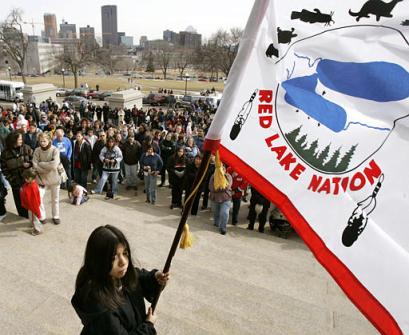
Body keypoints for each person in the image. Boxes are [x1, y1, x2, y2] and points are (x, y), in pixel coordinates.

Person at [71, 225, 169, 335]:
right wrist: (148, 326)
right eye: (114, 257)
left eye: (125, 253)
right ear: (100, 261)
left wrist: (155, 278)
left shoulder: (121, 275)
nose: (123, 262)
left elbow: (139, 278)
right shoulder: (99, 306)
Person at [0, 132, 33, 218]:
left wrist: (29, 164)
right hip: (15, 182)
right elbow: (4, 169)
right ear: (13, 140)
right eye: (19, 139)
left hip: (28, 180)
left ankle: (32, 217)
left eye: (22, 139)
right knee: (19, 203)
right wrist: (11, 180)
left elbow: (34, 160)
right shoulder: (5, 153)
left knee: (30, 201)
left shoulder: (26, 148)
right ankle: (23, 217)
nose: (21, 141)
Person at [32, 132, 62, 225]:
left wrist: (41, 164)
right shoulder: (37, 150)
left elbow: (54, 165)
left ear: (49, 140)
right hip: (41, 178)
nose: (42, 143)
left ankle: (56, 216)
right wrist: (44, 168)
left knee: (55, 199)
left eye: (44, 141)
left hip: (55, 177)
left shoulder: (55, 150)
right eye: (41, 141)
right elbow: (34, 164)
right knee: (39, 198)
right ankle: (42, 216)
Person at [209, 164, 232, 235]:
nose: (221, 170)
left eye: (223, 168)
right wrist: (220, 188)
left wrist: (217, 187)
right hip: (215, 198)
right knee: (216, 213)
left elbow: (227, 187)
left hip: (226, 199)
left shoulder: (228, 176)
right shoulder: (213, 176)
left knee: (224, 213)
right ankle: (216, 223)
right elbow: (211, 187)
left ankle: (223, 228)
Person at [20, 168, 43, 236]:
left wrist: (36, 210)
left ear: (30, 178)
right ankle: (34, 225)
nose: (25, 180)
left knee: (35, 218)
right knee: (32, 217)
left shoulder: (33, 187)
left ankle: (38, 229)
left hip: (33, 206)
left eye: (26, 178)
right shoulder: (30, 184)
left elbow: (34, 200)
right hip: (31, 206)